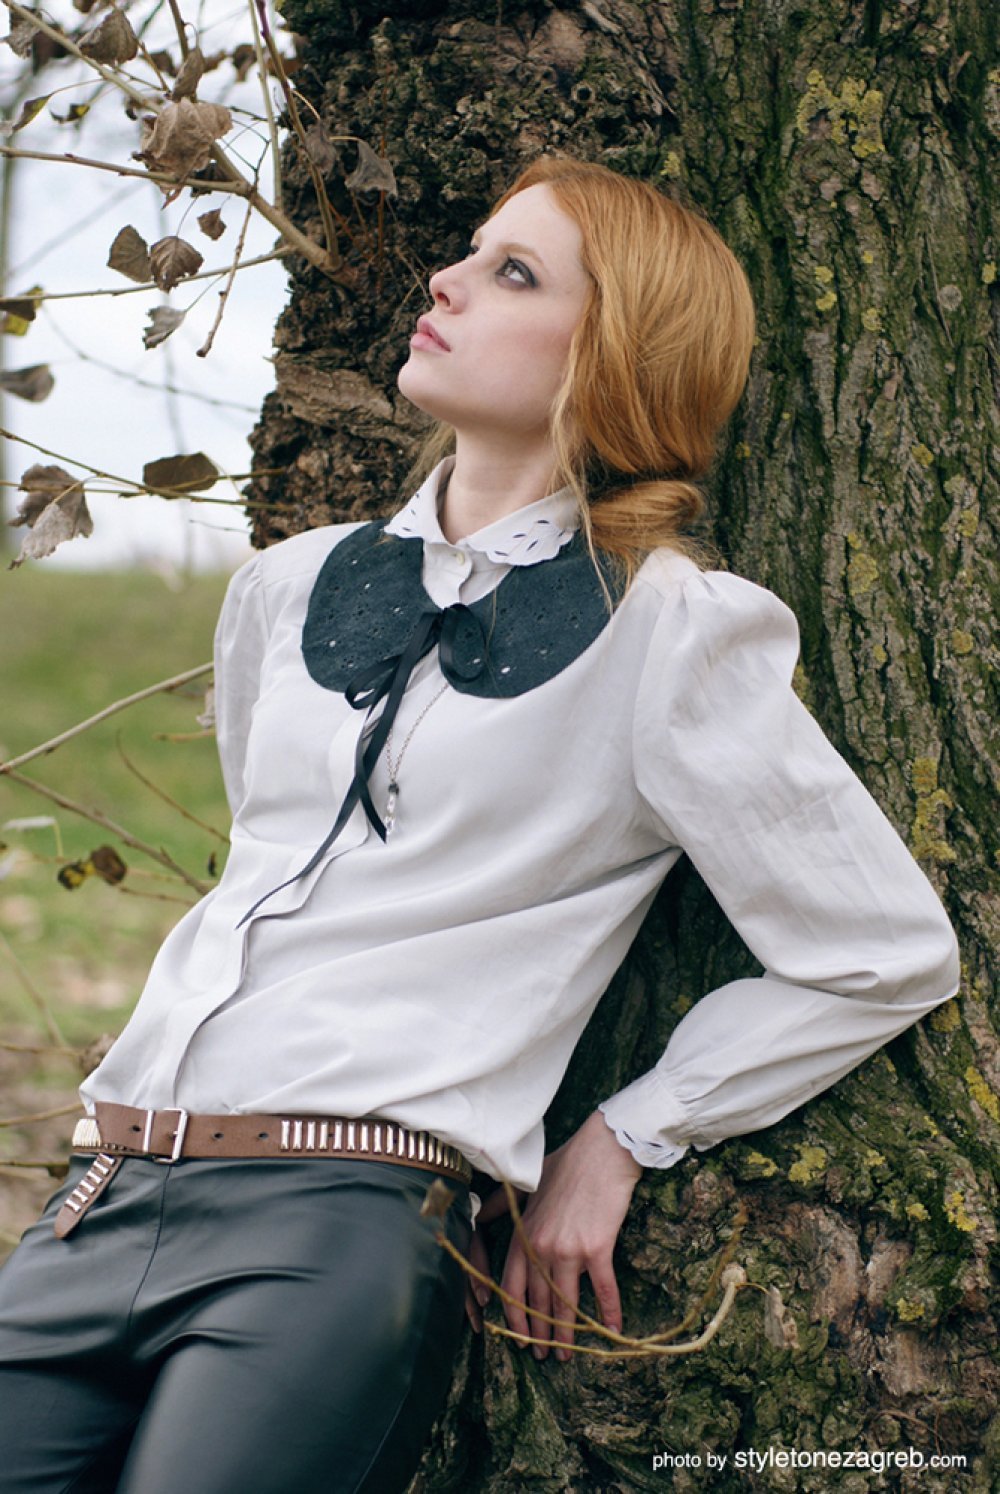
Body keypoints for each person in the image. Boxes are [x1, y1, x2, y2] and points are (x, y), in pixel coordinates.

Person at [0, 157, 958, 1493]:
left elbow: (881, 948)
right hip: (96, 1200)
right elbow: (267, 872)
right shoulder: (287, 588)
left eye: (514, 273)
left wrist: (628, 1133)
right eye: (471, 250)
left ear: (613, 351)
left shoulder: (671, 631)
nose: (445, 281)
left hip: (328, 1229)